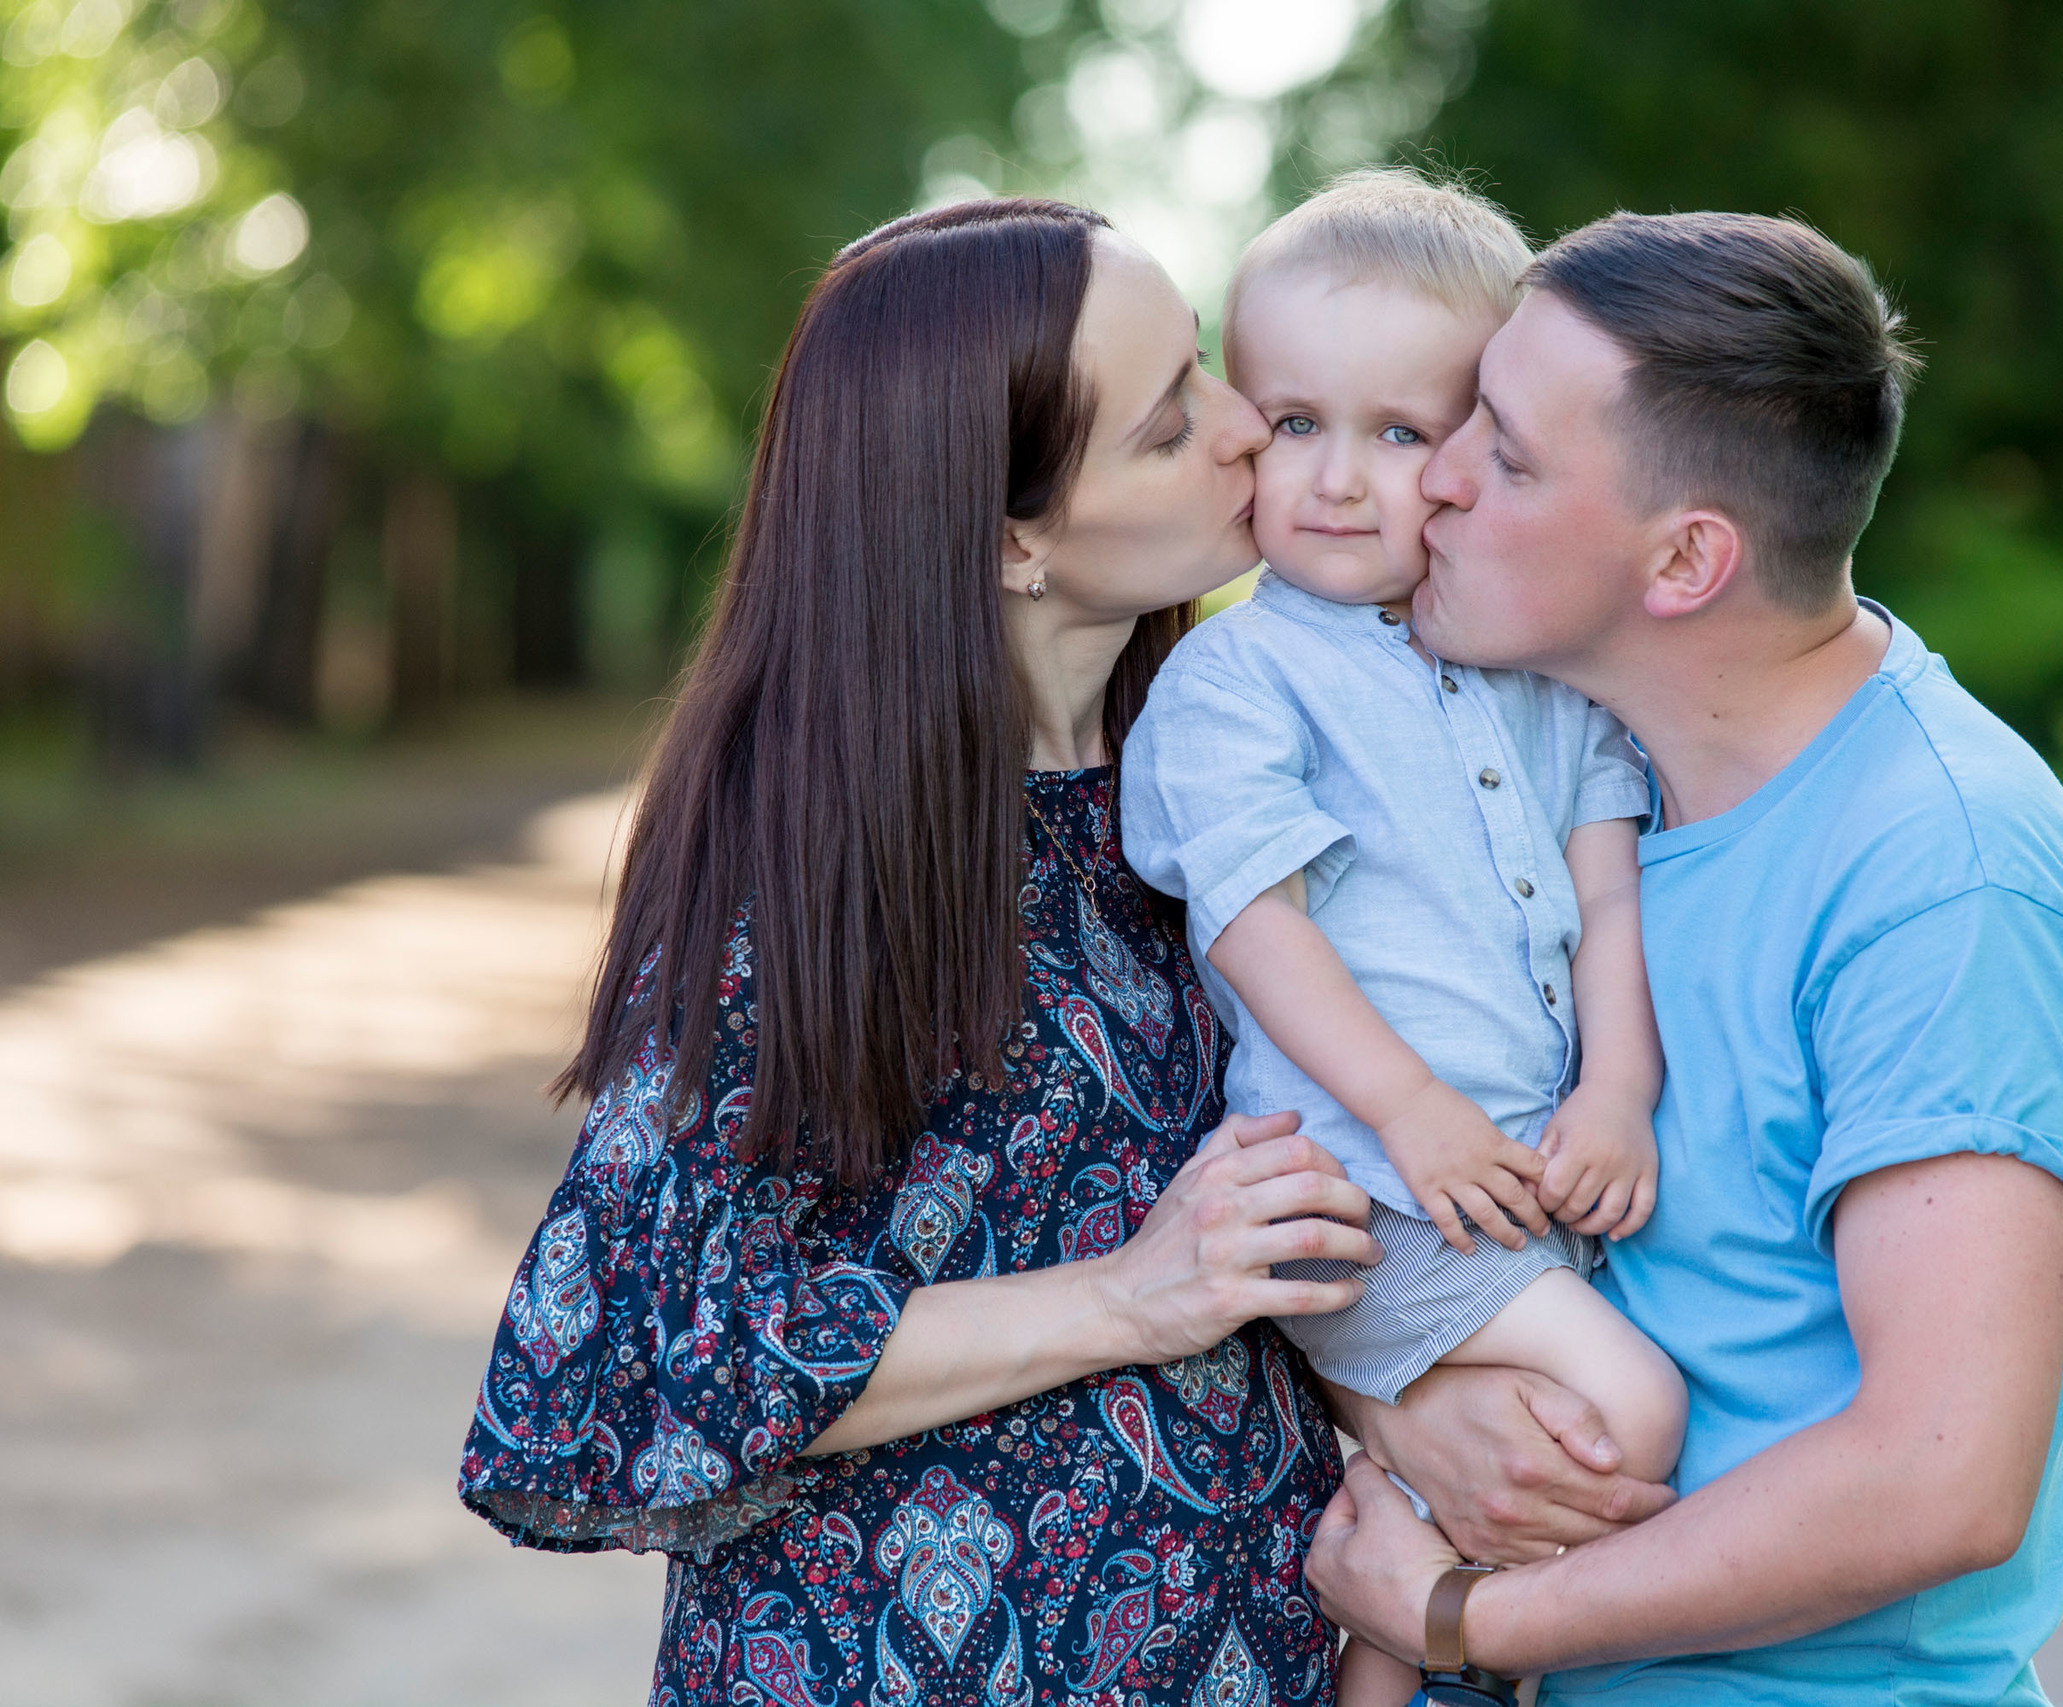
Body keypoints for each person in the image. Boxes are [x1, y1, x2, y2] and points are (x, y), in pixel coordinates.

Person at [455, 198, 1384, 1706]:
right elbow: (624, 1359)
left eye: (1208, 367)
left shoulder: (1236, 770)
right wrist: (1123, 1297)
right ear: (1013, 533)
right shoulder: (808, 858)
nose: (1247, 430)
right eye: (1167, 429)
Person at [1306, 210, 2063, 1706]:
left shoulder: (1945, 883)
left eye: (1502, 455)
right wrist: (1400, 1407)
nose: (1430, 479)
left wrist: (1465, 1620)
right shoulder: (1580, 788)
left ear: (1687, 559)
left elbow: (1940, 1475)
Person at [1121, 171, 1688, 1707]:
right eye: (1294, 421)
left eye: (1400, 431)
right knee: (1625, 1411)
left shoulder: (1529, 665)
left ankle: (1402, 1644)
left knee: (1528, 1458)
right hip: (1369, 1195)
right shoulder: (1240, 682)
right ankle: (1416, 1617)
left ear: (1480, 447)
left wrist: (1620, 1088)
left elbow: (1609, 889)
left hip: (1514, 1181)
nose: (1338, 479)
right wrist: (1412, 1107)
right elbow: (1254, 923)